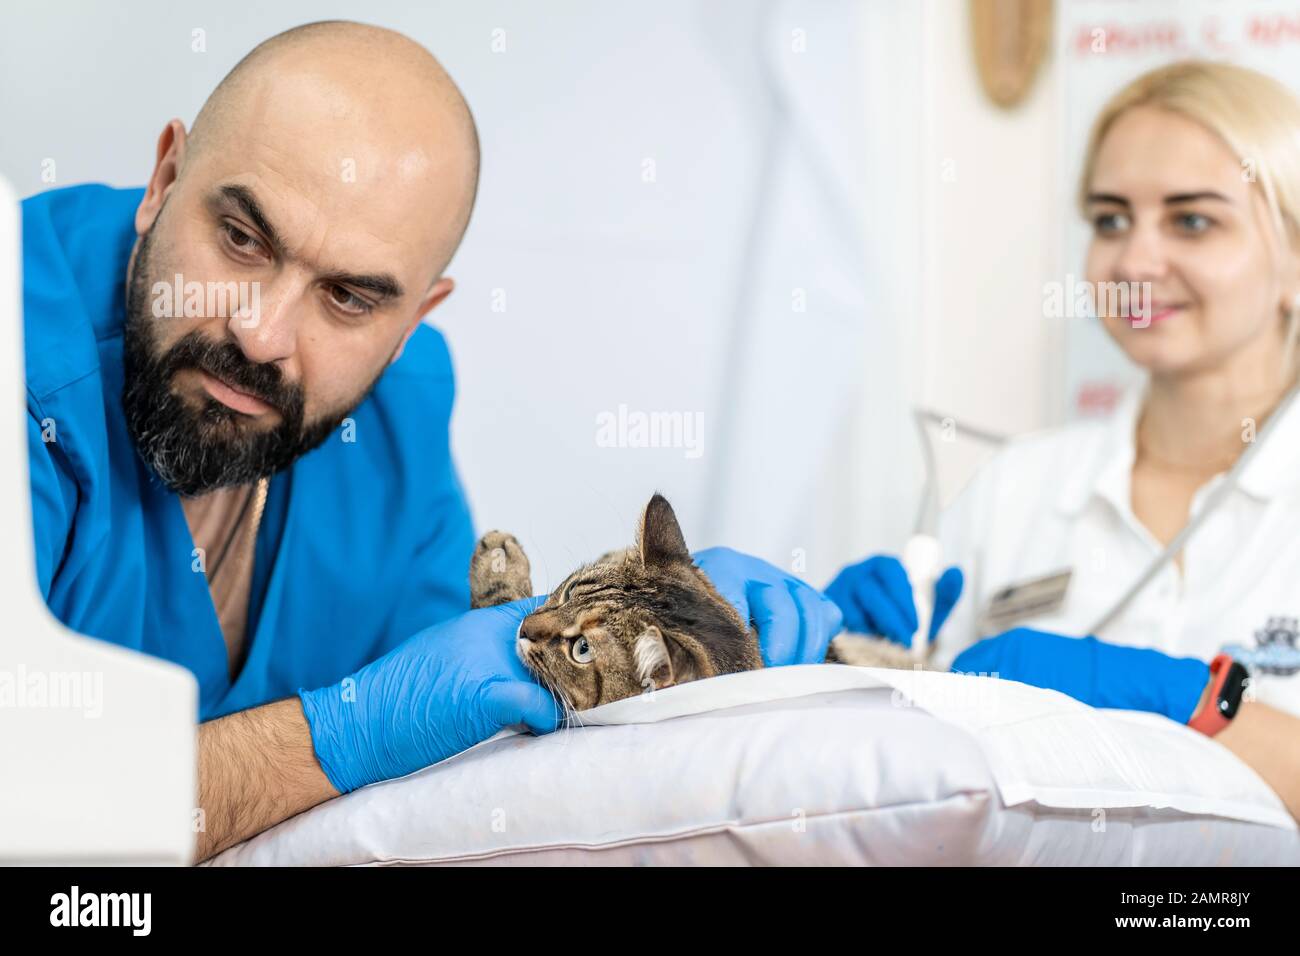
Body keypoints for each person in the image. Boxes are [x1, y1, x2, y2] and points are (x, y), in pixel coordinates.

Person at [21, 20, 841, 862]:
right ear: (163, 178)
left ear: (412, 321)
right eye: (242, 239)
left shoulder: (396, 410)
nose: (262, 333)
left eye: (346, 297)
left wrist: (704, 670)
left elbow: (464, 733)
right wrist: (349, 730)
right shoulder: (24, 363)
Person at [827, 60, 1300, 822]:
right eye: (1110, 219)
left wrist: (1193, 701)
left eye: (1192, 220)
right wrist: (847, 660)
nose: (1135, 262)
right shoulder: (1015, 486)